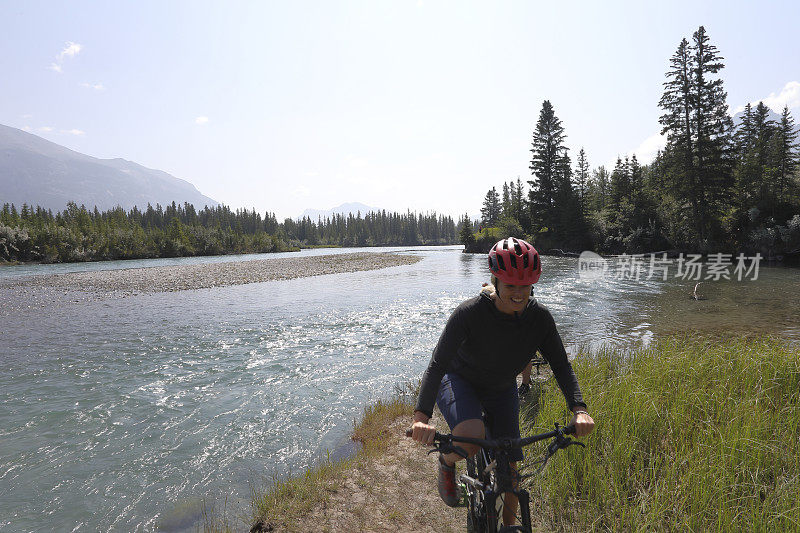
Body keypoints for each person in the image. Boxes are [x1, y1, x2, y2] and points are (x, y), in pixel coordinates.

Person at [409, 237, 595, 526]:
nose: (519, 294)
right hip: (459, 379)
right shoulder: (469, 313)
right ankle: (446, 462)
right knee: (472, 436)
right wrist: (421, 417)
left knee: (510, 468)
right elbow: (437, 364)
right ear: (495, 282)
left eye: (526, 286)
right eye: (511, 286)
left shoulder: (540, 319)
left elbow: (560, 364)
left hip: (501, 386)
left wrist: (579, 409)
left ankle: (509, 527)